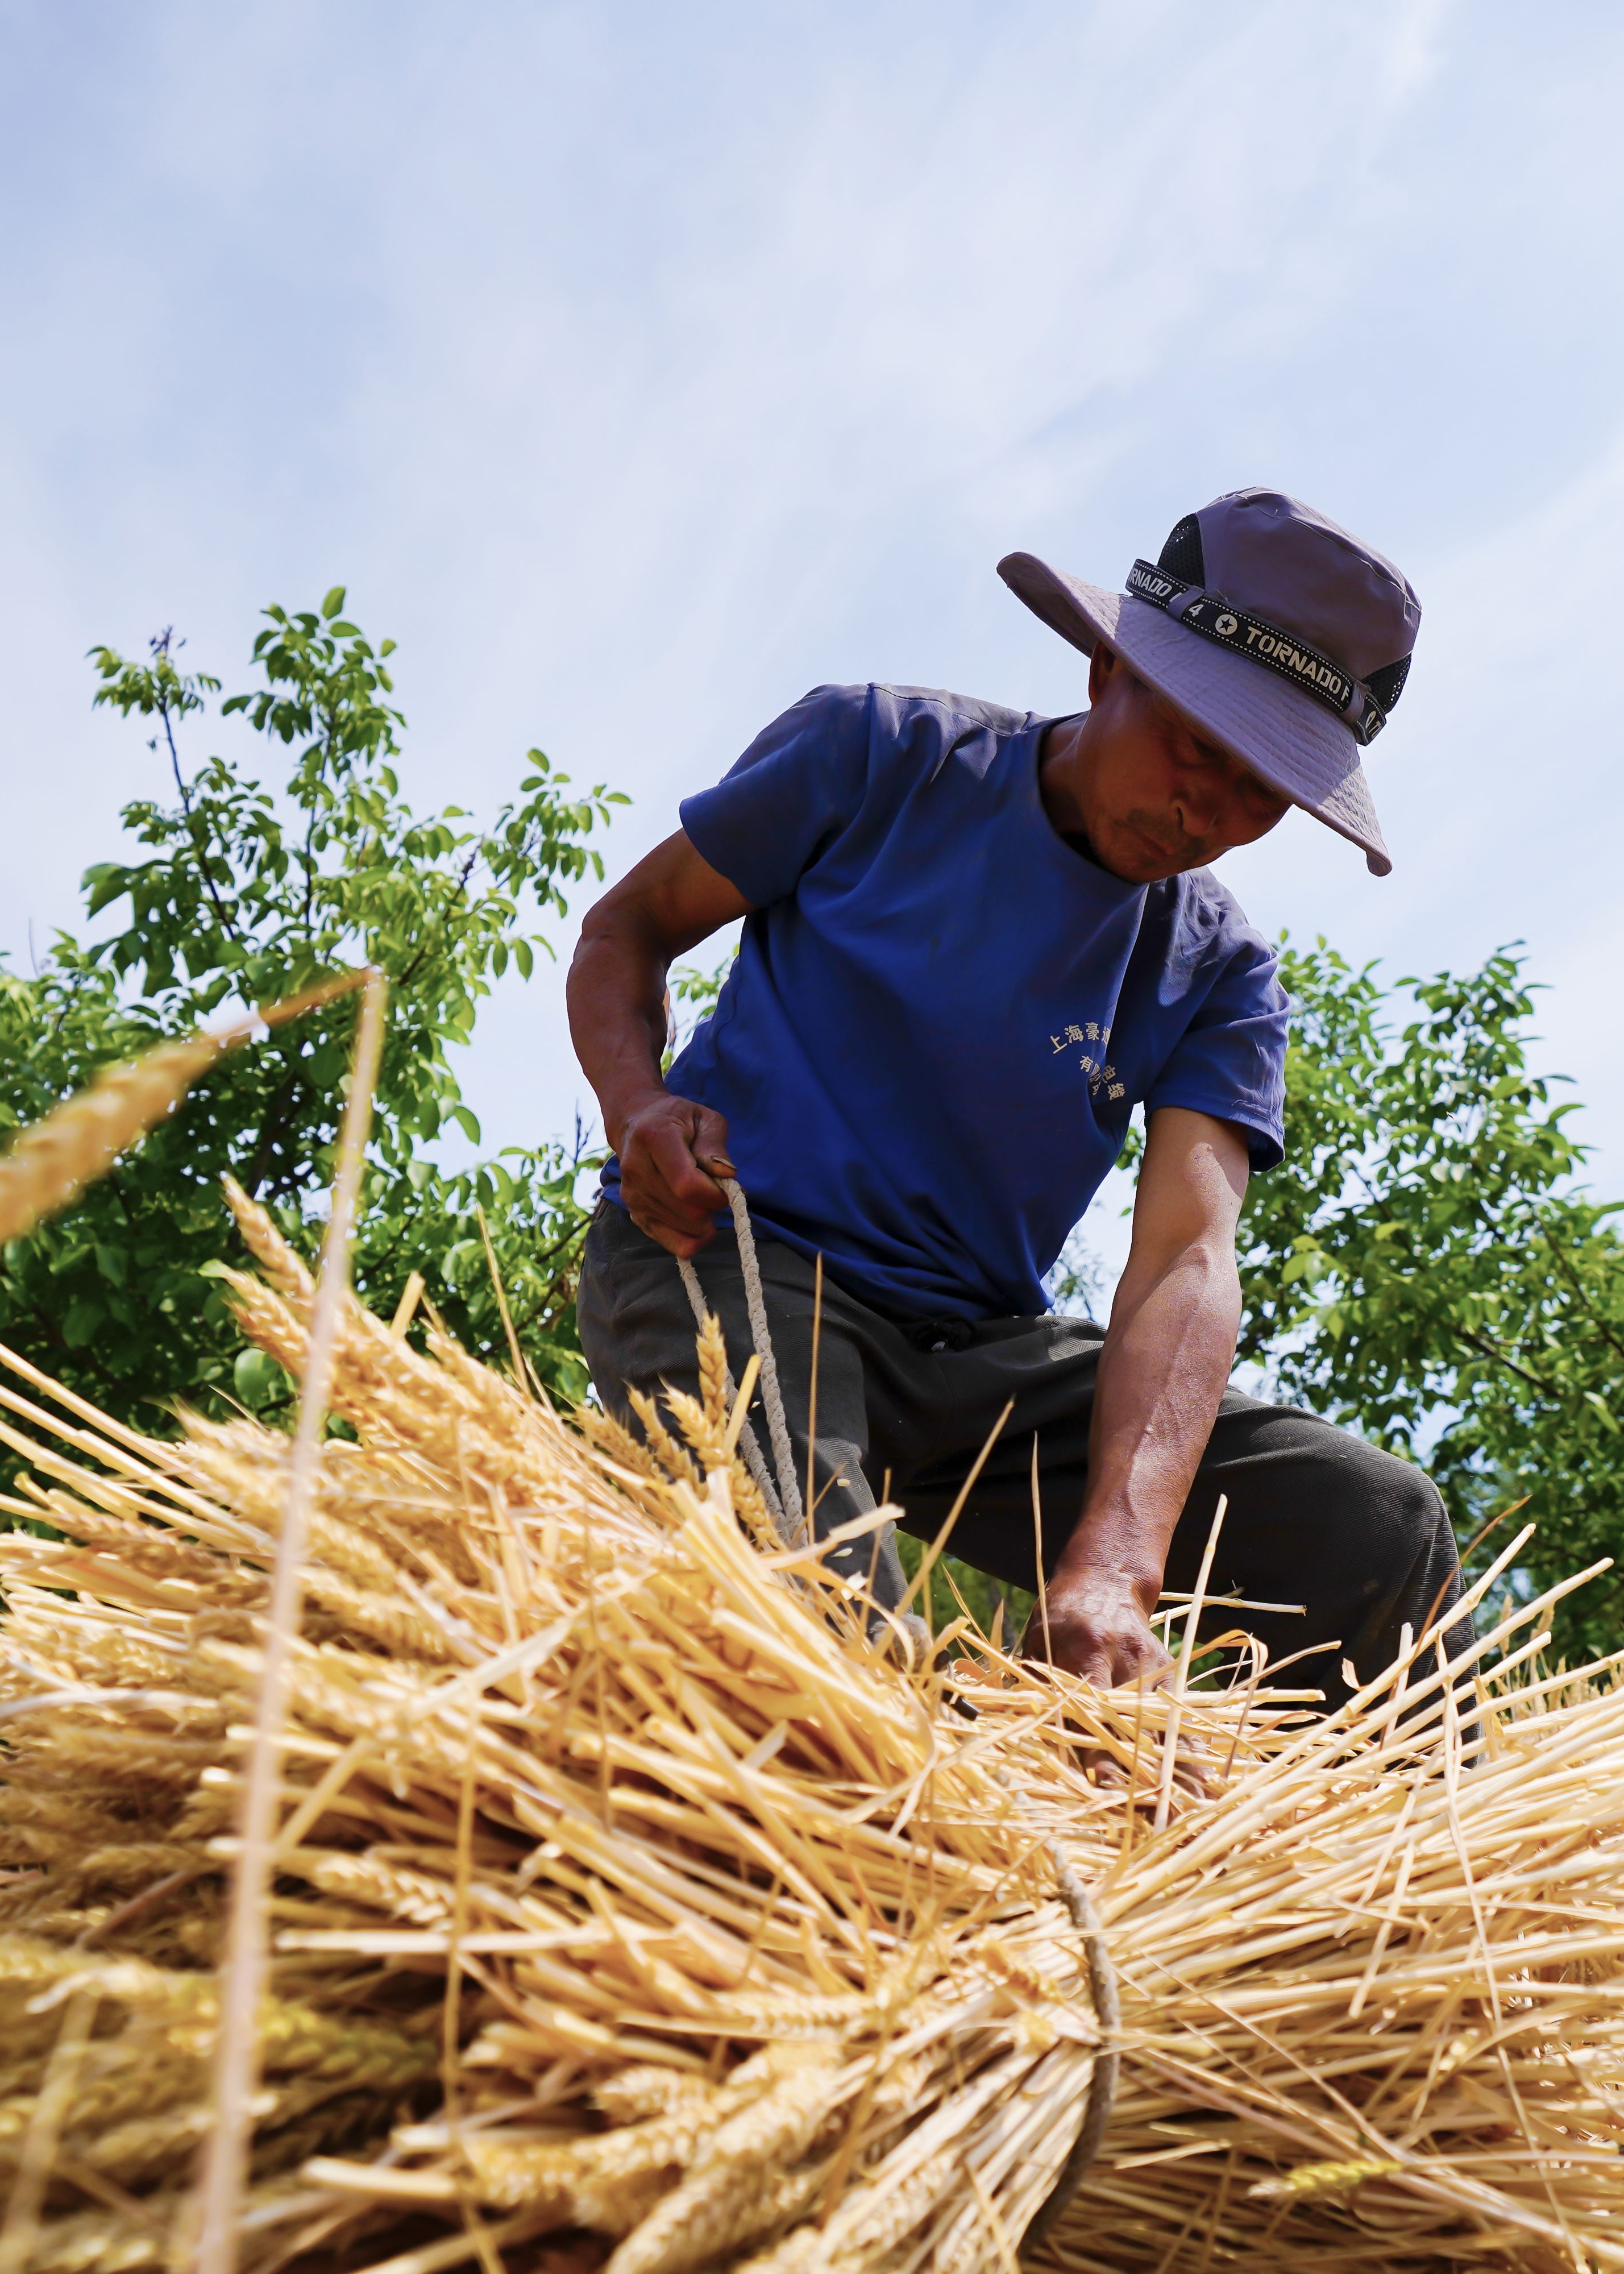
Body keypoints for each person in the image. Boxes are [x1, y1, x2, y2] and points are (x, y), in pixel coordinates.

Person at [564, 488, 1467, 1707]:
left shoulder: (1220, 971)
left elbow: (1187, 1261)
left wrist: (1116, 1560)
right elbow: (625, 931)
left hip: (974, 1351)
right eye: (1200, 746)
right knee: (835, 1657)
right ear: (1109, 670)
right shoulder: (881, 755)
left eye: (1263, 793)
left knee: (1378, 1520)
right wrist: (636, 1106)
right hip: (740, 1263)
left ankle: (1389, 1890)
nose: (1210, 812)